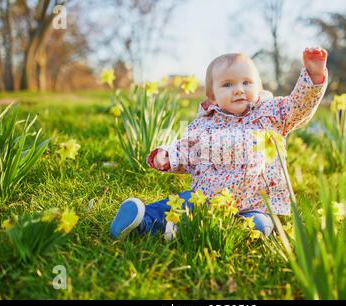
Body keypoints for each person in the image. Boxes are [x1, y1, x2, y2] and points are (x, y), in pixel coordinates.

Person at [110, 48, 328, 240]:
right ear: (212, 97)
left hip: (253, 204)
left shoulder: (271, 113)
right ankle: (140, 220)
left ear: (259, 86)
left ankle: (188, 229)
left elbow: (298, 107)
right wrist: (168, 156)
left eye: (246, 82)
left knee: (259, 225)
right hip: (207, 198)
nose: (239, 89)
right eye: (228, 84)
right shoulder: (205, 123)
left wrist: (314, 76)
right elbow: (187, 149)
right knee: (179, 204)